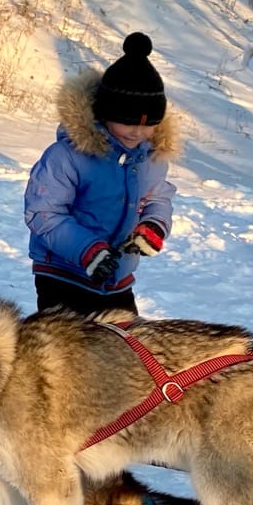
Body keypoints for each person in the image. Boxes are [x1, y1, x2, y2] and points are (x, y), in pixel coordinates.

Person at [24, 33, 178, 316]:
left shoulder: (151, 158)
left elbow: (159, 198)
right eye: (127, 121)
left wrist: (154, 225)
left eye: (149, 125)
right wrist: (88, 250)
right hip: (62, 273)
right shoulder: (68, 156)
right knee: (69, 354)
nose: (138, 132)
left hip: (116, 279)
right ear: (105, 113)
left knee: (123, 350)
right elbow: (44, 213)